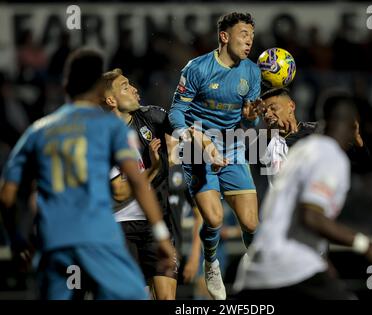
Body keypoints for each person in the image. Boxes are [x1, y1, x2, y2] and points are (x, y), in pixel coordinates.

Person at [0, 48, 175, 300]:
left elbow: (6, 195)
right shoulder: (110, 128)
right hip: (100, 240)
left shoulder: (38, 131)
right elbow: (136, 182)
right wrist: (160, 234)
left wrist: (16, 240)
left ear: (65, 86)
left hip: (55, 243)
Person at [168, 12, 295, 300]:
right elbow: (176, 110)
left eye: (251, 34)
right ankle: (210, 262)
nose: (249, 40)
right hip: (197, 144)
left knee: (251, 224)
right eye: (243, 34)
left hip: (234, 144)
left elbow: (247, 124)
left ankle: (262, 274)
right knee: (212, 219)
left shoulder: (252, 73)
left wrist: (250, 119)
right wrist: (187, 135)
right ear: (224, 37)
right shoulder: (197, 68)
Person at [234, 94, 372, 299]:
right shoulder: (320, 151)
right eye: (265, 110)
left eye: (273, 107)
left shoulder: (303, 148)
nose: (269, 114)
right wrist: (367, 247)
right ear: (353, 125)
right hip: (288, 263)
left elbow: (363, 162)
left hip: (259, 265)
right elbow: (311, 216)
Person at [101, 68, 179, 300]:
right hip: (120, 227)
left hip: (156, 222)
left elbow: (188, 128)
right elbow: (120, 191)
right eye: (125, 86)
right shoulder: (103, 137)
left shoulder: (152, 117)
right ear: (111, 100)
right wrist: (154, 168)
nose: (135, 89)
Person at [258, 87, 367, 185]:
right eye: (263, 112)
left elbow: (361, 164)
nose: (267, 114)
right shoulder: (263, 142)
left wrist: (357, 141)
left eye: (273, 108)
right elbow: (242, 161)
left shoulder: (318, 131)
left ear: (291, 106)